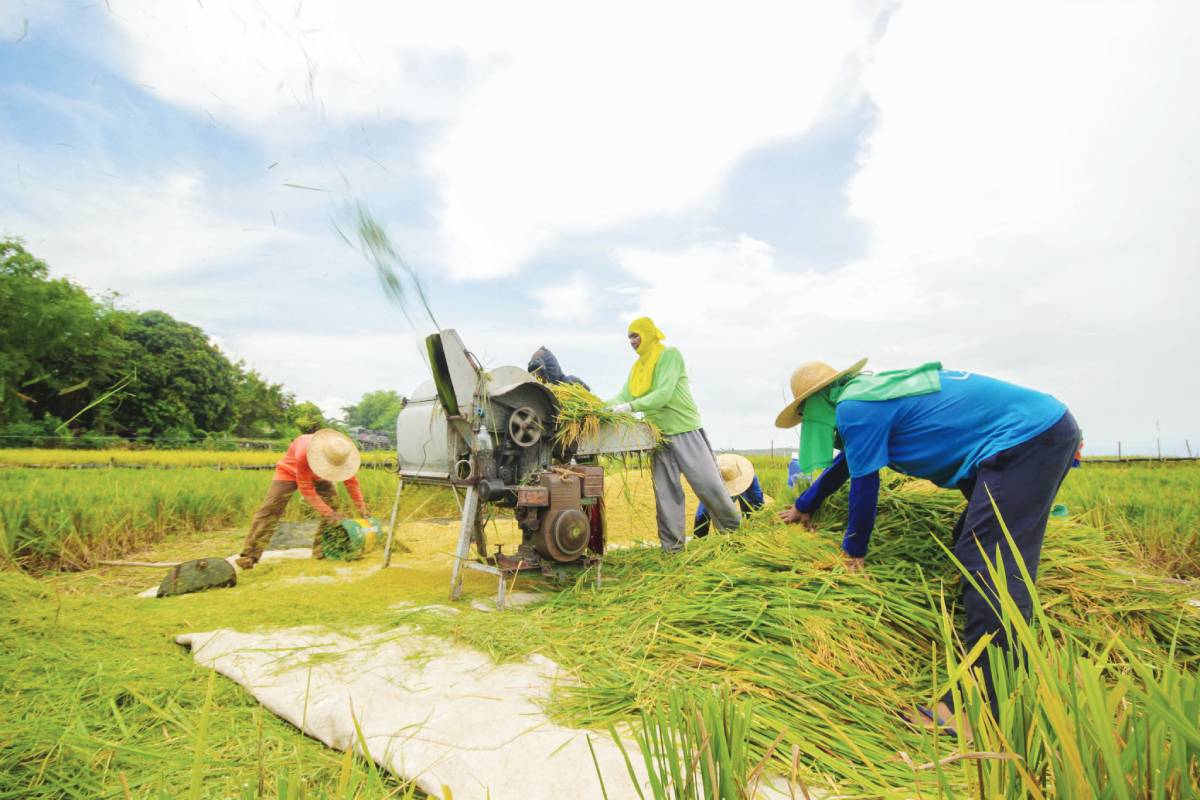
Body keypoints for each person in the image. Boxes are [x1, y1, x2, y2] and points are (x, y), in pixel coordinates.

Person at [774, 359, 1079, 735]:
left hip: (1025, 440)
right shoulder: (869, 394)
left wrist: (854, 550)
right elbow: (851, 463)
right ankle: (1013, 663)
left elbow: (865, 483)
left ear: (818, 402)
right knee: (971, 544)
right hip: (1034, 431)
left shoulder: (855, 406)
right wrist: (806, 505)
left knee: (988, 562)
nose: (810, 424)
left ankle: (978, 709)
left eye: (806, 414)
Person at [607, 317, 740, 552]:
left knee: (708, 485)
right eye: (629, 337)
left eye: (636, 335)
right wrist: (599, 409)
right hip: (658, 437)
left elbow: (664, 394)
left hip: (684, 430)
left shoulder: (670, 356)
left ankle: (735, 535)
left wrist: (630, 407)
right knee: (665, 493)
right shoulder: (637, 368)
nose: (632, 342)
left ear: (648, 334)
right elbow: (622, 396)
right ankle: (673, 549)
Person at [237, 428, 369, 569]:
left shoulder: (342, 455)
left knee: (333, 504)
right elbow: (306, 488)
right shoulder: (305, 453)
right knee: (270, 510)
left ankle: (321, 551)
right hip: (289, 472)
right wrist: (329, 514)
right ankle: (249, 556)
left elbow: (352, 483)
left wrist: (362, 508)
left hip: (321, 476)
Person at [694, 453, 766, 537]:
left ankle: (750, 534)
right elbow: (704, 508)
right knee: (707, 506)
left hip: (744, 482)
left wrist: (760, 515)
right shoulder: (711, 480)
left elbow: (758, 500)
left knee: (753, 504)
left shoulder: (750, 477)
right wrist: (699, 535)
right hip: (717, 486)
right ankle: (700, 536)